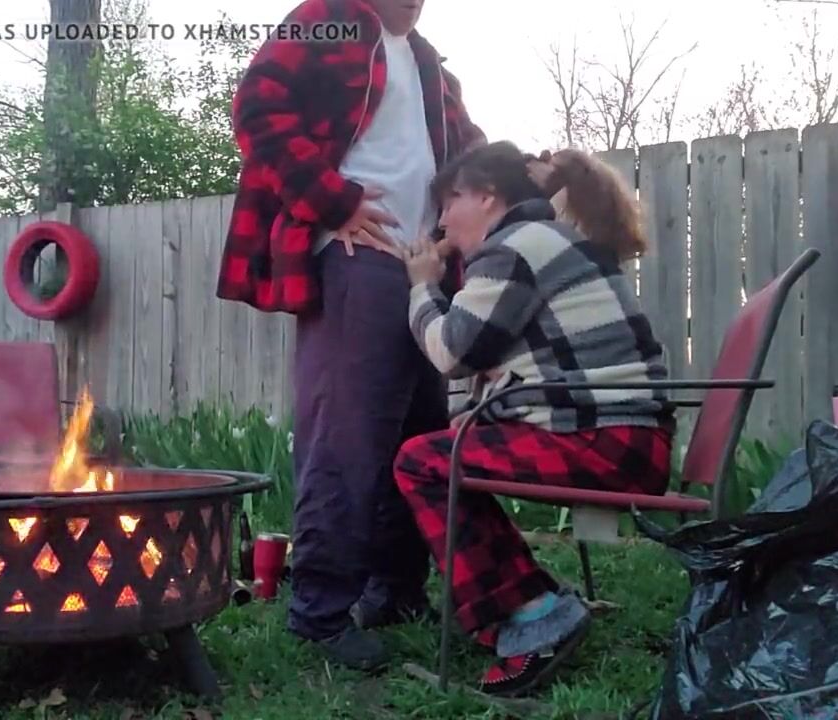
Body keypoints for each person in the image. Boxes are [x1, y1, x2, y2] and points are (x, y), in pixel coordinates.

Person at [215, 0, 484, 670]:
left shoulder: (429, 65)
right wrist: (331, 199)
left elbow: (474, 156)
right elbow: (257, 107)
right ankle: (320, 612)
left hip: (423, 269)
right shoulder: (329, 17)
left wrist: (528, 179)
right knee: (346, 438)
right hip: (356, 259)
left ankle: (394, 591)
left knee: (419, 434)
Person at [393, 142, 676, 695]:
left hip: (606, 442)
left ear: (488, 197)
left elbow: (452, 354)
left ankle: (534, 614)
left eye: (450, 201)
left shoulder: (513, 248)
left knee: (422, 462)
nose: (442, 220)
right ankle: (526, 600)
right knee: (450, 451)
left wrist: (422, 286)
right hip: (628, 437)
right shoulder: (549, 240)